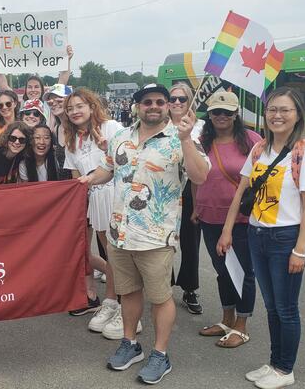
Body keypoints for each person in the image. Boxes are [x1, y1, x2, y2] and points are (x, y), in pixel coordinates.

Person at [80, 83, 209, 385]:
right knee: (129, 292)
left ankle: (160, 355)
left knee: (161, 298)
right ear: (137, 105)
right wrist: (86, 180)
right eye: (147, 101)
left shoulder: (182, 138)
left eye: (160, 102)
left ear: (167, 106)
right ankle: (130, 344)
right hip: (119, 233)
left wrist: (187, 138)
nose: (154, 106)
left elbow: (201, 176)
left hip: (155, 237)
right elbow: (107, 170)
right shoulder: (121, 138)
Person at [218, 87, 305, 389]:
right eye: (272, 109)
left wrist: (299, 250)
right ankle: (275, 363)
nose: (277, 115)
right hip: (256, 234)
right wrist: (227, 229)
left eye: (285, 110)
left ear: (297, 114)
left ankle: (285, 369)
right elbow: (241, 190)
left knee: (286, 308)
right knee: (272, 306)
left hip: (285, 238)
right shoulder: (260, 149)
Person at [195, 92, 261, 348]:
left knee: (243, 273)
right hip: (208, 216)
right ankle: (226, 319)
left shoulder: (253, 141)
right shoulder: (202, 141)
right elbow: (195, 176)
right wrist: (194, 207)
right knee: (222, 271)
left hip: (241, 219)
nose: (221, 116)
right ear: (209, 115)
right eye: (216, 112)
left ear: (236, 115)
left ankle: (241, 325)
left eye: (227, 112)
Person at [61, 88, 122, 333]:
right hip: (96, 201)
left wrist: (108, 147)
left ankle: (126, 308)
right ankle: (112, 302)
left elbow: (127, 161)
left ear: (91, 106)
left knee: (121, 257)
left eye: (79, 106)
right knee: (111, 256)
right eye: (70, 108)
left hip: (118, 196)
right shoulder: (70, 141)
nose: (75, 111)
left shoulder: (111, 127)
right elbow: (76, 181)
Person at [168, 82, 205, 315]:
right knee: (164, 244)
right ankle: (164, 285)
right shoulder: (160, 125)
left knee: (190, 243)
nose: (178, 103)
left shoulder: (200, 126)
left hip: (192, 190)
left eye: (182, 99)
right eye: (173, 99)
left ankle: (190, 289)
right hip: (166, 191)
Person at [0, 45, 74, 123]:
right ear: (26, 90)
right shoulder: (20, 104)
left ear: (42, 89)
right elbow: (4, 86)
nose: (33, 90)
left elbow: (62, 82)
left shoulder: (49, 104)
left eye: (36, 87)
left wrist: (67, 60)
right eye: (30, 87)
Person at [44, 84, 73, 180]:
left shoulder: (79, 127)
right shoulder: (56, 130)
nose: (54, 103)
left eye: (59, 99)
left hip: (84, 185)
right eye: (50, 102)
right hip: (65, 186)